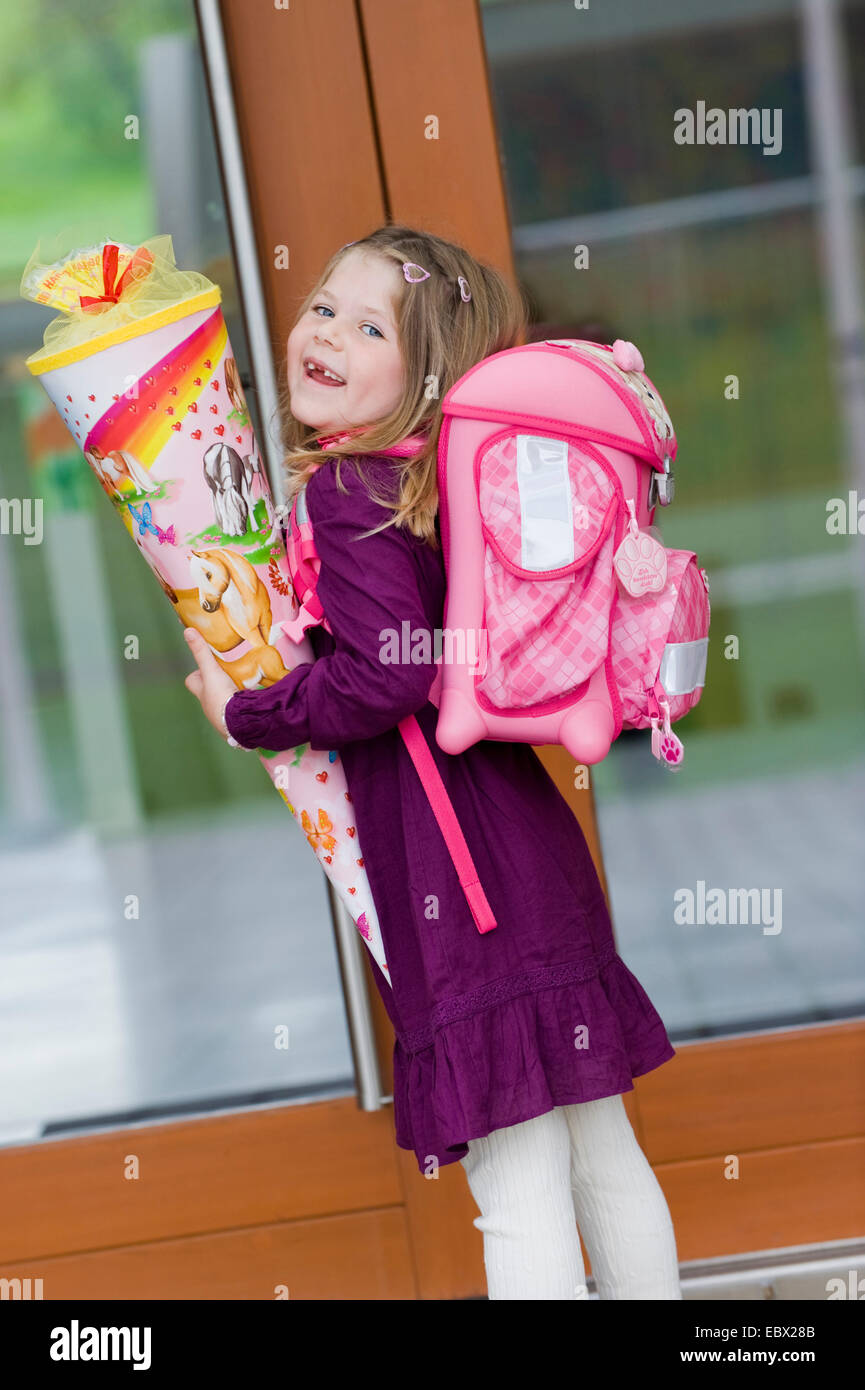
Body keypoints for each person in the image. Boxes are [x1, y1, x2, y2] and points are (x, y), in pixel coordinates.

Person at [183, 224, 682, 1301]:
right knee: (603, 1153)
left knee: (516, 1185)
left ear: (425, 379)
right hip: (528, 856)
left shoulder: (348, 492)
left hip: (457, 890)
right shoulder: (441, 484)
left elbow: (383, 679)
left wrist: (250, 712)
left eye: (372, 328)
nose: (328, 335)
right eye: (324, 308)